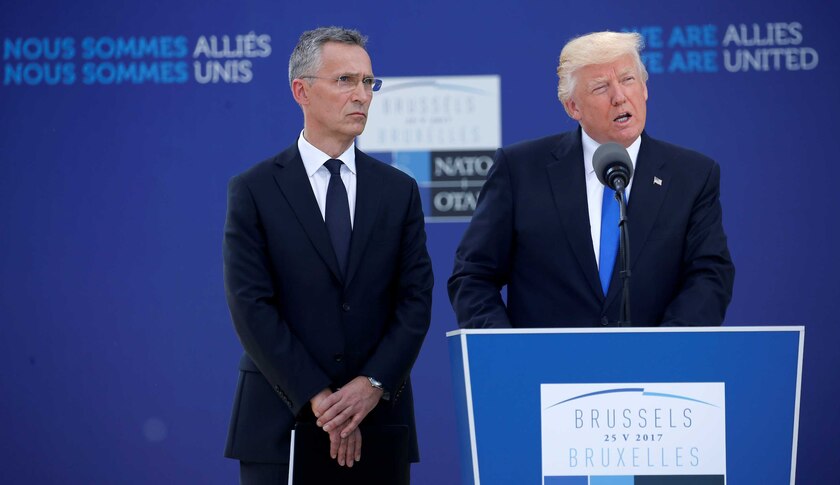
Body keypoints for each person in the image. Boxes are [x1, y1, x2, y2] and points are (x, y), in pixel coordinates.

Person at [222, 26, 433, 484]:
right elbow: (251, 306)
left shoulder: (398, 191)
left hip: (378, 422)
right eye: (345, 81)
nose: (361, 95)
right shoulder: (254, 190)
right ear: (301, 91)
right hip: (278, 425)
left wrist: (371, 385)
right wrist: (318, 398)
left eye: (368, 82)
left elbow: (415, 301)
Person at [449, 31, 734, 328]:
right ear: (573, 107)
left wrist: (664, 353)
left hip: (653, 369)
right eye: (601, 88)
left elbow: (709, 275)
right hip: (544, 369)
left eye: (628, 80)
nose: (619, 97)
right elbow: (473, 275)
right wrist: (508, 353)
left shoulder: (692, 175)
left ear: (645, 89)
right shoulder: (520, 170)